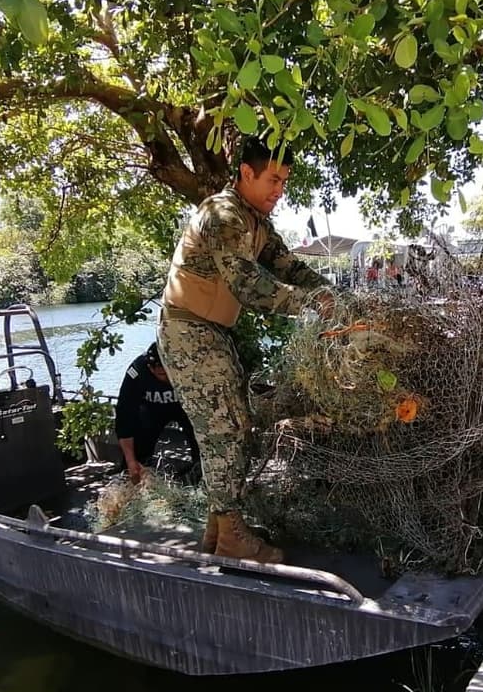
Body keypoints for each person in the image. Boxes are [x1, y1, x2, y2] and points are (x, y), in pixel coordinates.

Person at [157, 136, 333, 562]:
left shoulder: (255, 221)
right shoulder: (223, 214)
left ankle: (219, 534)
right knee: (224, 431)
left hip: (210, 333)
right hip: (188, 332)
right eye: (273, 178)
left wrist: (330, 293)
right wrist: (310, 304)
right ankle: (231, 534)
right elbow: (248, 285)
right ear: (246, 173)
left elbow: (287, 265)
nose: (280, 190)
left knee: (234, 422)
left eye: (285, 181)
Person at [114, 342, 199, 484]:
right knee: (139, 446)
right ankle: (136, 478)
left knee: (201, 441)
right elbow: (124, 417)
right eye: (161, 374)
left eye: (169, 372)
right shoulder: (137, 372)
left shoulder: (187, 364)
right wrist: (130, 459)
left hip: (186, 407)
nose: (167, 377)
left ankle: (200, 476)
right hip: (152, 409)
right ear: (150, 368)